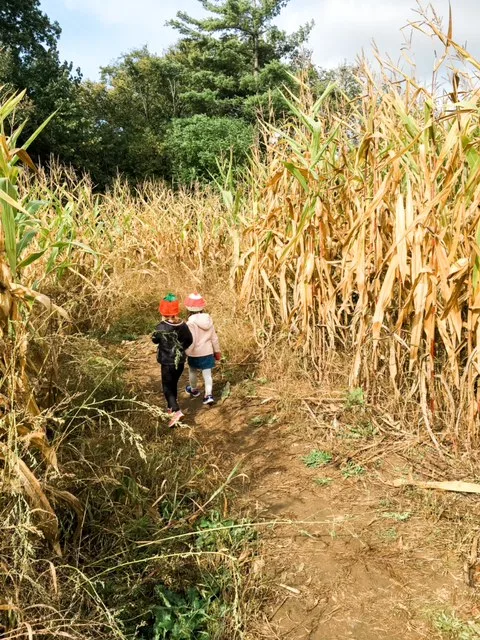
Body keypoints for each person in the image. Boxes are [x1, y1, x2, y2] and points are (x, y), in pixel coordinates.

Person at [152, 293, 193, 427]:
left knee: (167, 387)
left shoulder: (161, 327)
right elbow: (189, 340)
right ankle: (171, 409)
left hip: (166, 362)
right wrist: (181, 349)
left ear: (162, 313)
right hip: (179, 362)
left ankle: (176, 410)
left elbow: (154, 340)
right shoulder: (183, 325)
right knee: (173, 384)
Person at [184, 293, 221, 405]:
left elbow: (192, 340)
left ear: (188, 308)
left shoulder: (190, 323)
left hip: (195, 353)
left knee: (192, 371)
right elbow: (214, 338)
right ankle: (208, 395)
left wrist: (187, 352)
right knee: (207, 374)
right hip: (207, 352)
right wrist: (217, 351)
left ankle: (193, 389)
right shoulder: (209, 320)